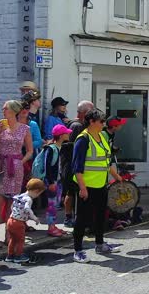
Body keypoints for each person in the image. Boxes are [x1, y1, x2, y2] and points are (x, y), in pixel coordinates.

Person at [72, 109, 124, 263]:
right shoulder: (83, 139)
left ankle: (100, 244)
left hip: (101, 184)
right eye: (101, 121)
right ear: (91, 122)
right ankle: (78, 250)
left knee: (101, 216)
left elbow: (106, 161)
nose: (104, 124)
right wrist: (82, 188)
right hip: (86, 186)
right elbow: (77, 167)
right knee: (82, 219)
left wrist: (117, 177)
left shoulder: (101, 136)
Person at [0, 100, 34, 248]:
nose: (2, 110)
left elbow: (30, 150)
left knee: (12, 204)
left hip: (16, 168)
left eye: (5, 108)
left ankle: (8, 236)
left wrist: (21, 161)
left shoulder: (24, 128)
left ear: (12, 111)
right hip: (0, 167)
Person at [60, 100, 94, 228]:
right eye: (91, 111)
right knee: (71, 191)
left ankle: (75, 217)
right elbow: (73, 147)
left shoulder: (80, 124)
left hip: (73, 164)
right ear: (84, 113)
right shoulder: (77, 126)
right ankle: (68, 218)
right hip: (70, 164)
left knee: (73, 191)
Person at [5, 178, 45, 263]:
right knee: (20, 240)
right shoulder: (29, 199)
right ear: (36, 191)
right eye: (39, 194)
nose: (37, 196)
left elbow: (12, 206)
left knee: (12, 239)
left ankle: (10, 255)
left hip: (10, 220)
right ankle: (18, 256)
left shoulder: (20, 196)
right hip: (19, 223)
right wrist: (34, 218)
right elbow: (27, 209)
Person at [44, 125, 72, 237]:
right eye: (66, 133)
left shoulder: (58, 147)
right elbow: (47, 167)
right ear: (61, 136)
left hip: (57, 181)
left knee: (55, 205)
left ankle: (53, 225)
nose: (68, 134)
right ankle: (51, 227)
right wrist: (50, 182)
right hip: (53, 182)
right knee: (52, 205)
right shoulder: (51, 149)